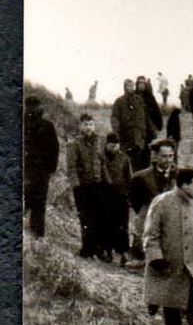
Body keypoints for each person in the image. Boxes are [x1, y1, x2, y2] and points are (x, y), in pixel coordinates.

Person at [143, 166, 193, 325]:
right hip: (171, 260)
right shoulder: (162, 202)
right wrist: (155, 257)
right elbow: (151, 233)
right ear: (183, 185)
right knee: (170, 297)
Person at [126, 140, 176, 262]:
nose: (168, 160)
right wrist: (146, 210)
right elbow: (133, 198)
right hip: (148, 215)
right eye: (164, 156)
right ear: (155, 156)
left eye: (170, 156)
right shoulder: (142, 177)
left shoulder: (178, 176)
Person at [65, 113, 107, 257]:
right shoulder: (74, 144)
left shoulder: (101, 141)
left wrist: (107, 182)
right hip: (83, 187)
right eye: (85, 124)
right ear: (80, 126)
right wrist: (76, 186)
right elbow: (71, 167)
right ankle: (87, 249)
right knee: (85, 218)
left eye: (90, 124)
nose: (88, 127)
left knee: (100, 217)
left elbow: (104, 163)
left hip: (99, 185)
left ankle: (99, 249)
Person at [22, 96, 59, 239]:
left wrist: (51, 168)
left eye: (34, 106)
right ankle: (35, 237)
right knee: (34, 202)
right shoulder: (44, 124)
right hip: (32, 171)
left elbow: (54, 148)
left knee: (35, 202)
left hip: (39, 171)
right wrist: (51, 168)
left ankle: (35, 236)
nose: (32, 109)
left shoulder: (46, 125)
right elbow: (55, 149)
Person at [101, 133, 133, 264]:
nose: (114, 147)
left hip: (121, 195)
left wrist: (129, 194)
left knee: (122, 225)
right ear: (107, 144)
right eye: (111, 144)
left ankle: (123, 253)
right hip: (105, 195)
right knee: (107, 223)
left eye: (116, 144)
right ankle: (108, 252)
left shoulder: (125, 158)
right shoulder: (100, 157)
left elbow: (130, 178)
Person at [112, 78, 157, 171]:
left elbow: (146, 117)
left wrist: (152, 131)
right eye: (129, 86)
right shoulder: (119, 102)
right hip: (126, 137)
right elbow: (114, 118)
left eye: (133, 86)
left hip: (140, 136)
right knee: (128, 162)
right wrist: (116, 131)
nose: (132, 88)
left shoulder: (139, 100)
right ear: (125, 87)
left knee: (142, 162)